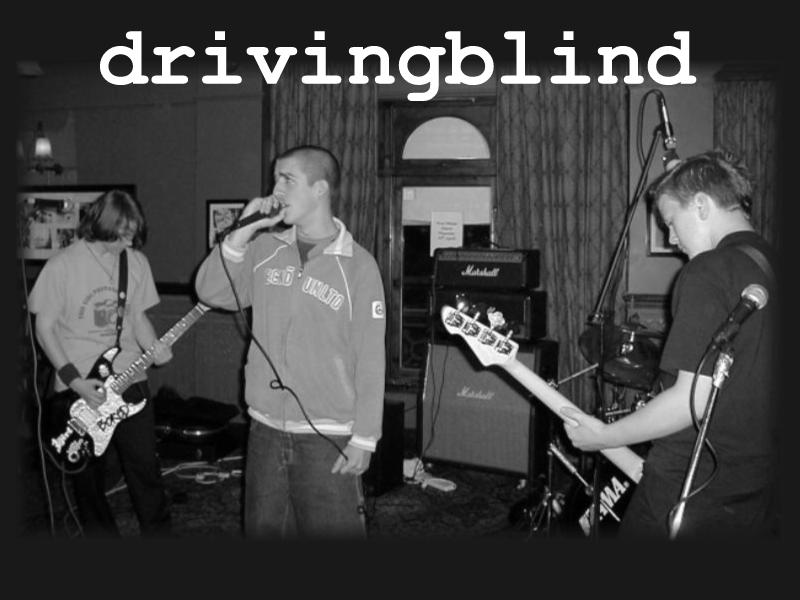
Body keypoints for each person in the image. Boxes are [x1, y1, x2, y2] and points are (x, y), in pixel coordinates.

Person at [561, 150, 778, 539]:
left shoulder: (707, 270)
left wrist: (603, 437)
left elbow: (690, 401)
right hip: (757, 485)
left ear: (701, 205)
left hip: (692, 484)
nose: (671, 238)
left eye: (671, 222)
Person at [195, 145, 386, 539]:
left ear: (320, 189)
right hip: (265, 430)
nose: (276, 190)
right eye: (275, 179)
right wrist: (243, 230)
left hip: (328, 435)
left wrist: (365, 437)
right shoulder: (265, 249)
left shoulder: (359, 265)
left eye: (287, 179)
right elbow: (211, 292)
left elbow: (370, 357)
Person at [28, 189, 173, 537]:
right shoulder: (62, 266)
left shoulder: (135, 262)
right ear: (101, 226)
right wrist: (74, 380)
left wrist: (154, 347)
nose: (129, 242)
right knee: (88, 478)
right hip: (79, 387)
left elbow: (137, 317)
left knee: (145, 466)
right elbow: (44, 329)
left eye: (133, 234)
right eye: (121, 235)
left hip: (129, 378)